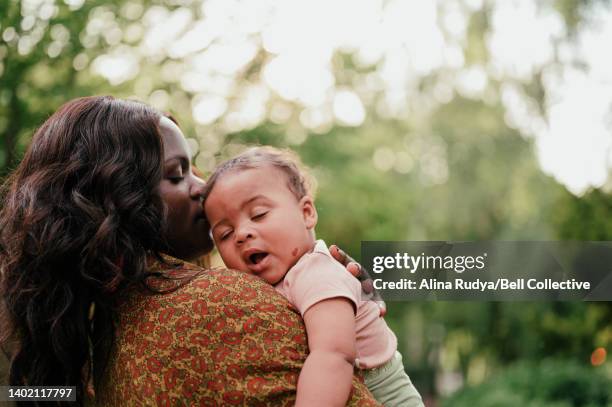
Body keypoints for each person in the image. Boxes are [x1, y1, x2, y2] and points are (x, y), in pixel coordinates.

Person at [0, 96, 380, 406]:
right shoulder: (217, 305)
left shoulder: (105, 342)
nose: (202, 188)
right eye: (177, 175)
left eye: (194, 170)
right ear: (119, 200)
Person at [203, 147, 424, 407]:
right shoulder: (268, 285)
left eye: (259, 214)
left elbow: (332, 356)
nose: (241, 234)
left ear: (306, 213)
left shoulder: (316, 272)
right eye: (225, 234)